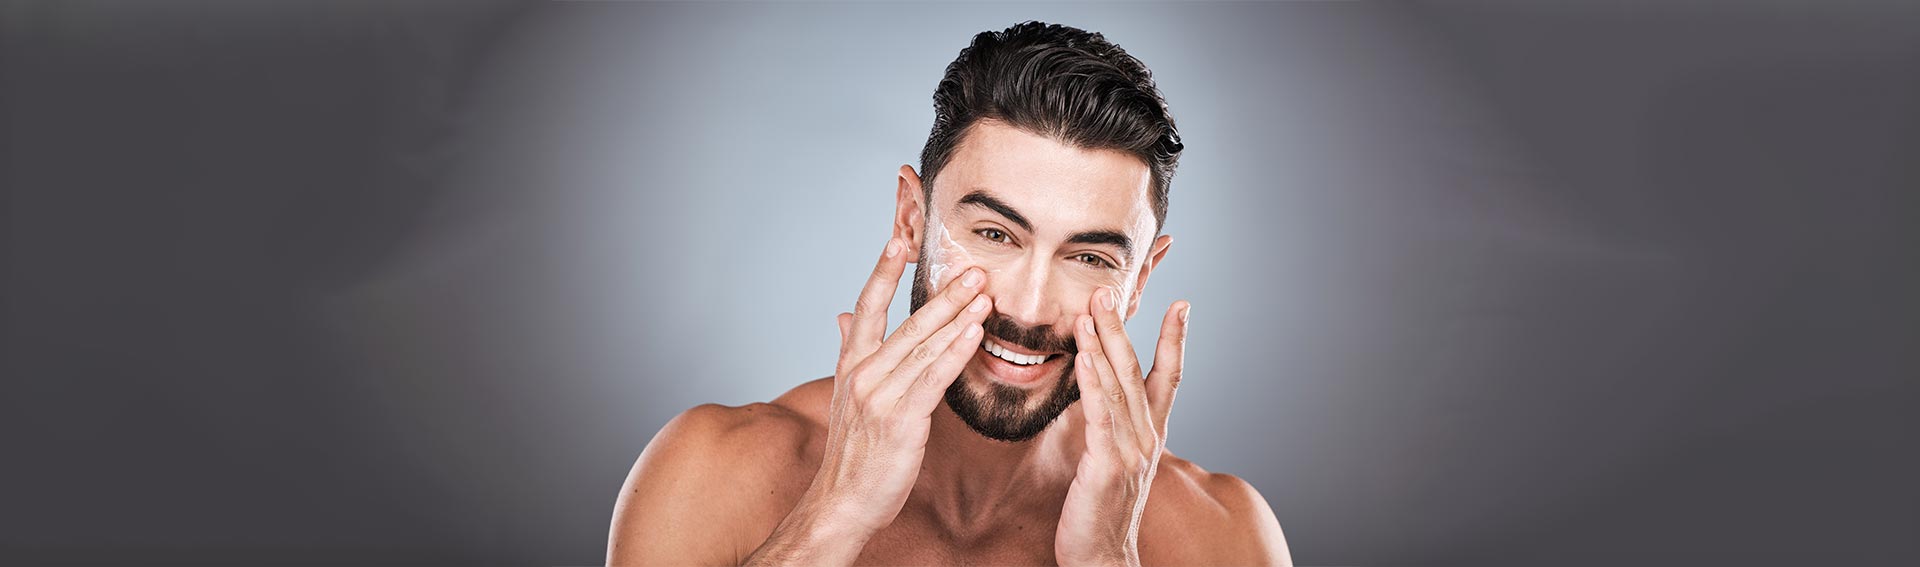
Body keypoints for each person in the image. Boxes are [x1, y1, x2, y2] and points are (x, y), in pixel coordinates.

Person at [608, 21, 1292, 566]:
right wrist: (833, 516)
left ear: (1139, 277)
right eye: (995, 234)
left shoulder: (1221, 536)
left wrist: (1109, 558)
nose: (1028, 307)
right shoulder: (708, 472)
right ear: (912, 218)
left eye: (1087, 255)